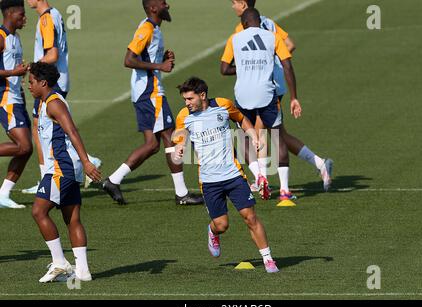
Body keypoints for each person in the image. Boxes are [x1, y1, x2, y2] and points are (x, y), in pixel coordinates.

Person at [228, 0, 333, 197]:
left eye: (234, 2)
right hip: (277, 83)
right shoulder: (268, 22)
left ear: (243, 4)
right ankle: (320, 163)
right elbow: (290, 45)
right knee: (277, 133)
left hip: (263, 87)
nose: (232, 6)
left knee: (256, 133)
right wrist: (272, 61)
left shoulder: (241, 29)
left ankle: (262, 178)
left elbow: (233, 64)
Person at [102, 0, 203, 206]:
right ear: (154, 8)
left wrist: (162, 57)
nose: (168, 5)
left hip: (147, 93)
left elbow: (143, 56)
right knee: (172, 138)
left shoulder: (154, 29)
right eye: (164, 3)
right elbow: (129, 59)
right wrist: (160, 65)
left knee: (152, 145)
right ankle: (181, 194)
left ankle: (113, 180)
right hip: (150, 93)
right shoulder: (147, 28)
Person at [174, 77, 279, 273]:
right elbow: (180, 133)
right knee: (222, 225)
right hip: (209, 180)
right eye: (185, 100)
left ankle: (268, 259)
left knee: (250, 217)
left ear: (202, 95)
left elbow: (241, 119)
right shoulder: (184, 115)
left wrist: (254, 136)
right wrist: (180, 145)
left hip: (233, 174)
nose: (187, 103)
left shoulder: (224, 105)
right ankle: (212, 231)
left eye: (190, 99)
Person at [28, 62, 101, 283]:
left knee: (38, 212)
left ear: (43, 83)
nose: (28, 85)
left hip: (62, 167)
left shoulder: (53, 104)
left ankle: (59, 262)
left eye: (31, 82)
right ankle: (83, 272)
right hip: (66, 166)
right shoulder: (44, 102)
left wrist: (87, 162)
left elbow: (72, 130)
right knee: (72, 217)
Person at [22, 0, 101, 194]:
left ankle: (48, 175)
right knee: (46, 126)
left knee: (42, 127)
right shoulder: (55, 14)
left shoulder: (46, 20)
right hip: (57, 79)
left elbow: (52, 55)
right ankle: (60, 170)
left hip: (48, 81)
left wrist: (31, 68)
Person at [0, 0, 33, 209]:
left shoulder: (16, 38)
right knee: (24, 146)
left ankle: (3, 193)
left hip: (17, 97)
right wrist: (14, 72)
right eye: (21, 14)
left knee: (26, 150)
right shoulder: (1, 37)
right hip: (5, 99)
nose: (24, 18)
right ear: (10, 13)